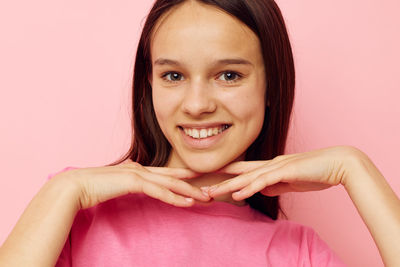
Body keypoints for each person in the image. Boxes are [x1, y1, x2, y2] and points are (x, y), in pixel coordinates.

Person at [0, 0, 399, 266]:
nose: (196, 104)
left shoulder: (299, 252)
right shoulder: (74, 211)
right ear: (149, 85)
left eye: (229, 75)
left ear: (272, 87)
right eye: (173, 75)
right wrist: (63, 190)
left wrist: (356, 168)